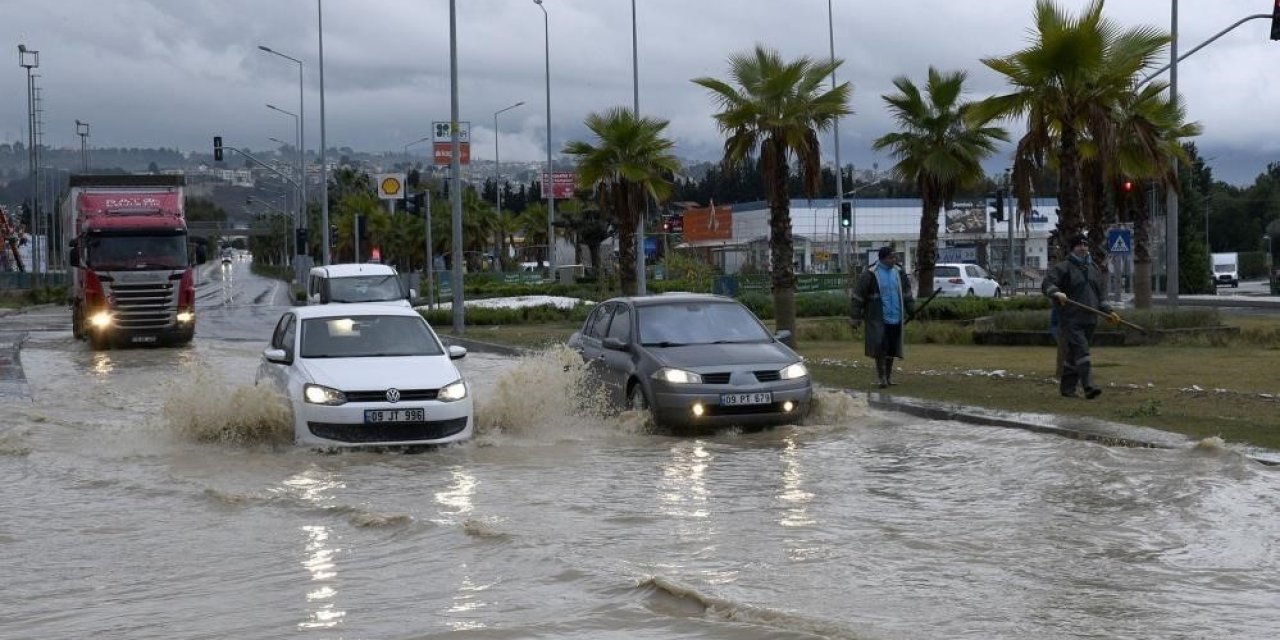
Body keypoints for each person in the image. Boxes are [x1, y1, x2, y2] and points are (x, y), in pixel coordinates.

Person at [1042, 233, 1122, 399]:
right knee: (1082, 351)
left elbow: (1101, 297)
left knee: (1074, 355)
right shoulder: (1063, 268)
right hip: (1071, 319)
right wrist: (1056, 292)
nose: (1083, 248)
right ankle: (1089, 386)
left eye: (1085, 245)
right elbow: (1047, 284)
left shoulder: (1094, 269)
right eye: (1079, 245)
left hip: (1091, 319)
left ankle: (1067, 389)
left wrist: (1109, 312)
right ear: (1072, 248)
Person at [851, 246, 915, 389]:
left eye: (894, 257)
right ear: (883, 259)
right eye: (891, 257)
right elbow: (858, 297)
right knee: (881, 348)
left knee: (892, 349)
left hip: (896, 317)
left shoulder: (899, 273)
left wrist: (912, 309)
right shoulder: (870, 274)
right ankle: (882, 378)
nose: (894, 260)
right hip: (878, 318)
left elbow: (907, 294)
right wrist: (855, 317)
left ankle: (889, 377)